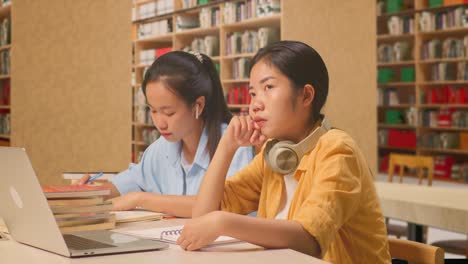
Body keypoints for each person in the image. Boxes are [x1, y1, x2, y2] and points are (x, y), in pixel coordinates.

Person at [176, 41, 392, 263]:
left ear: (306, 96)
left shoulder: (338, 150)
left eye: (268, 88)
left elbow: (308, 241)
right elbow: (202, 216)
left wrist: (223, 223)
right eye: (252, 93)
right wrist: (226, 147)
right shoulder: (274, 156)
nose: (255, 105)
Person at [78, 51, 255, 217]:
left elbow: (219, 205)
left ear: (198, 106)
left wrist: (140, 199)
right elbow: (126, 183)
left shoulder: (236, 143)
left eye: (169, 113)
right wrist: (88, 192)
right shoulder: (160, 149)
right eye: (153, 111)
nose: (159, 123)